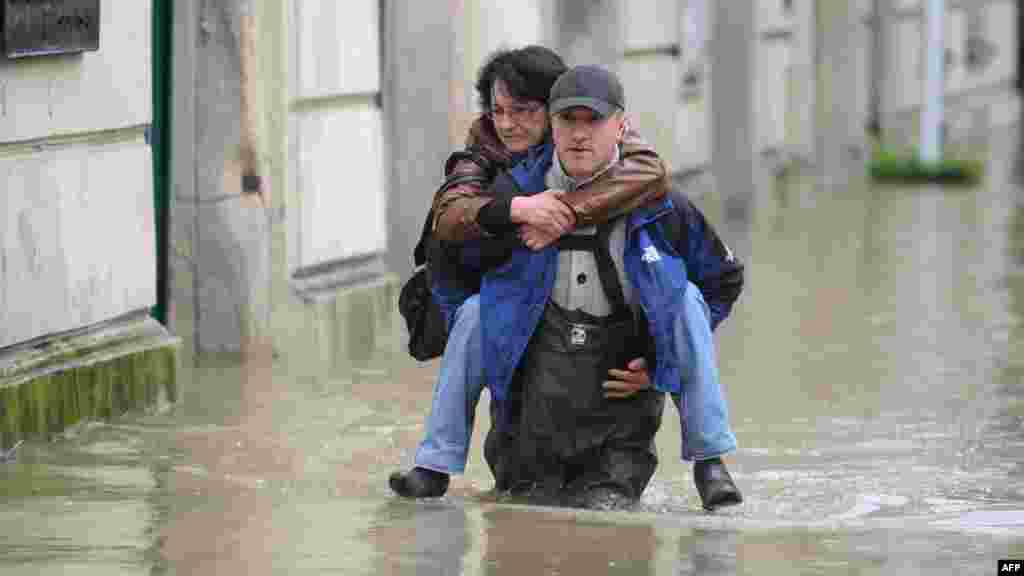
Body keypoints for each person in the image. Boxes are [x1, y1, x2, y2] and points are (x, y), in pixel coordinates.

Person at [390, 53, 745, 511]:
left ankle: (710, 459)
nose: (579, 134)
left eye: (592, 122)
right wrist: (515, 218)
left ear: (620, 127)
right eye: (567, 121)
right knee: (478, 314)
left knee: (687, 300)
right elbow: (451, 259)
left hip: (619, 396)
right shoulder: (500, 187)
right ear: (553, 127)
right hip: (532, 394)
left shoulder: (660, 200)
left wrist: (658, 362)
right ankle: (435, 464)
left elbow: (723, 280)